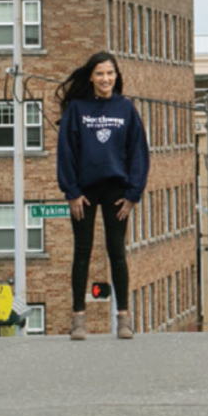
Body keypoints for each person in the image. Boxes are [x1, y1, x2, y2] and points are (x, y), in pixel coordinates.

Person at [56, 52, 149, 340]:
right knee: (81, 252)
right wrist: (71, 191)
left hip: (117, 190)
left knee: (116, 251)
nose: (105, 79)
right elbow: (66, 152)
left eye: (110, 73)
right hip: (83, 191)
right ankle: (78, 319)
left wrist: (133, 194)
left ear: (116, 76)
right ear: (91, 77)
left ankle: (123, 318)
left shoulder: (126, 108)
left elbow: (139, 154)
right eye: (99, 74)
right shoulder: (77, 109)